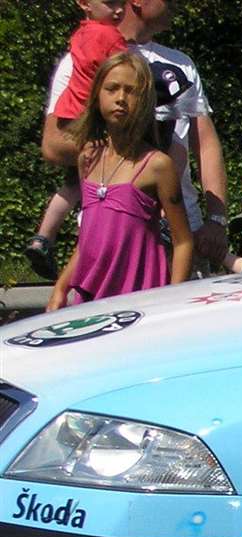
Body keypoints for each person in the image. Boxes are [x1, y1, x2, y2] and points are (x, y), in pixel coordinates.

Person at [41, 0, 228, 270]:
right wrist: (134, 155)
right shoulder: (83, 57)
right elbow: (53, 145)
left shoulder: (181, 65)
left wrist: (217, 219)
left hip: (183, 231)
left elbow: (206, 145)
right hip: (109, 233)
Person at [46, 51, 193, 310]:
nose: (121, 99)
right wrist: (61, 286)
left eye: (131, 91)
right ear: (97, 96)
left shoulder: (157, 165)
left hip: (143, 298)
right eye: (112, 89)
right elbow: (89, 239)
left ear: (145, 100)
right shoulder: (88, 157)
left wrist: (174, 300)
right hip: (92, 298)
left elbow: (183, 241)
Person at [24, 0, 129, 280]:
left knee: (73, 183)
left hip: (68, 112)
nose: (118, 10)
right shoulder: (111, 36)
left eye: (121, 2)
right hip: (90, 115)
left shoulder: (81, 33)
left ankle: (43, 235)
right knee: (94, 181)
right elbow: (125, 72)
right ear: (84, 4)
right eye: (109, 3)